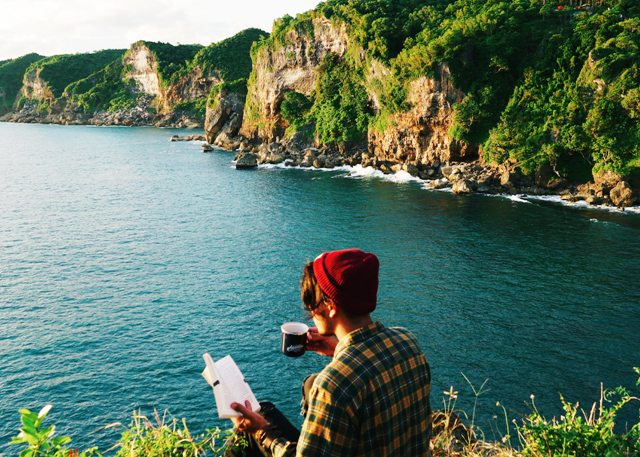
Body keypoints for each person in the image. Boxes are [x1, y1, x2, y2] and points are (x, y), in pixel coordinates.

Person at [226, 248, 432, 456]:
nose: (310, 311)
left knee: (255, 425)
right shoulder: (407, 341)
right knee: (270, 407)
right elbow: (374, 371)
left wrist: (261, 433)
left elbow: (345, 385)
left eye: (311, 302)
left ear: (331, 306)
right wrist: (338, 349)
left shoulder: (333, 386)